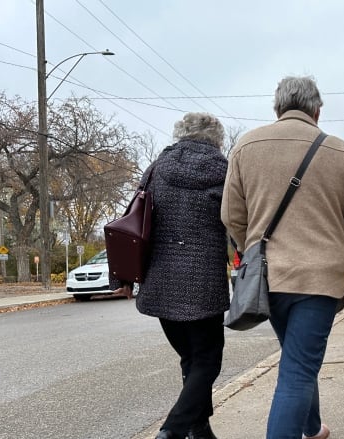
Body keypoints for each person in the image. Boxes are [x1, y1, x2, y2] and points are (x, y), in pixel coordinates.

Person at [221, 76, 344, 439]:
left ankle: (311, 427)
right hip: (320, 279)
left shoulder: (245, 147)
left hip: (269, 277)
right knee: (298, 370)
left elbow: (231, 215)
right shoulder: (342, 152)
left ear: (277, 108)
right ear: (317, 110)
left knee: (298, 359)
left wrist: (253, 249)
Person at [112, 112, 230, 439]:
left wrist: (122, 277)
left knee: (191, 360)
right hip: (204, 283)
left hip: (161, 282)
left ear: (181, 134)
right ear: (216, 138)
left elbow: (132, 221)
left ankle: (200, 430)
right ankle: (172, 431)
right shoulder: (225, 171)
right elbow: (237, 220)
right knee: (207, 362)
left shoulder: (157, 168)